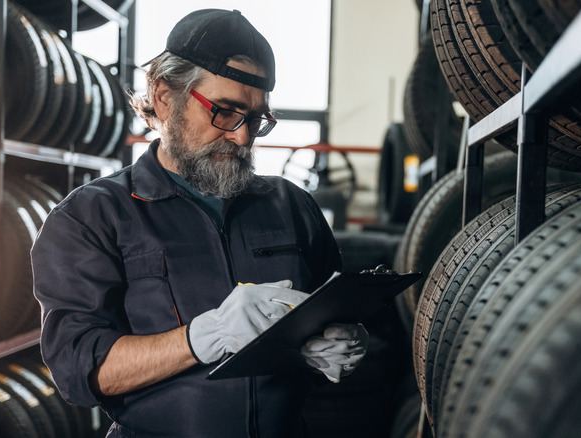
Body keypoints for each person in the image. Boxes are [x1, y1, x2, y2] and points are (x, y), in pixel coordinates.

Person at [31, 9, 368, 438]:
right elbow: (81, 370)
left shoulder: (292, 206)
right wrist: (202, 337)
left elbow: (332, 307)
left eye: (256, 118)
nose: (243, 136)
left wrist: (342, 340)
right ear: (164, 96)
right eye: (225, 111)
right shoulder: (91, 217)